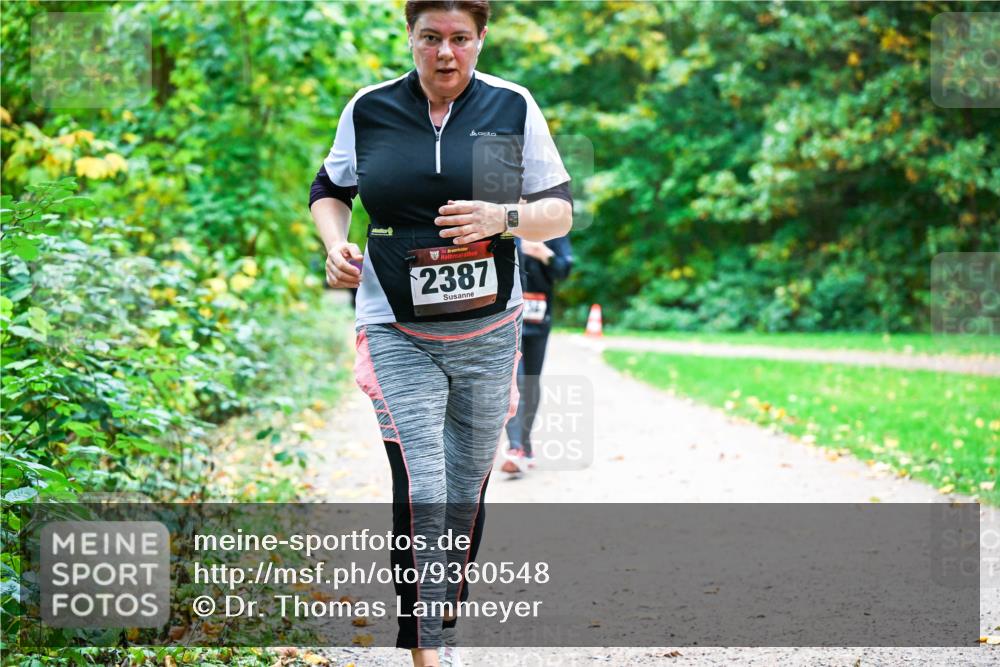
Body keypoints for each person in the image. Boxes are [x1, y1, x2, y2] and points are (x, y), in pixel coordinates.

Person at [308, 2, 572, 665]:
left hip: (488, 328)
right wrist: (335, 243)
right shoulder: (368, 109)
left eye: (459, 39)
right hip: (395, 325)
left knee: (462, 489)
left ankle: (442, 626)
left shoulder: (512, 107)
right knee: (422, 483)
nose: (445, 53)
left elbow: (559, 212)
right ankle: (427, 650)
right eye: (431, 38)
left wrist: (501, 215)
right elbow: (329, 187)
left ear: (481, 40)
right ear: (411, 39)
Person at [501, 234, 573, 475]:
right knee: (514, 381)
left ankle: (525, 442)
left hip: (539, 320)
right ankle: (516, 447)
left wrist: (545, 254)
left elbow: (563, 271)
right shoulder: (503, 224)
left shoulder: (555, 232)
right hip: (509, 318)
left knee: (531, 382)